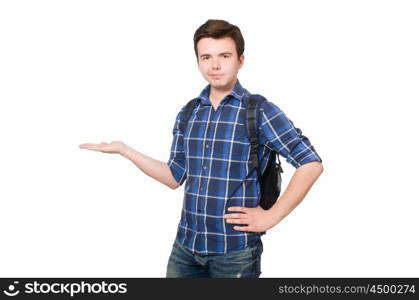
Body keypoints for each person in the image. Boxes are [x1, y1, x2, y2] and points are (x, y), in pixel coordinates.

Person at [79, 19, 324, 278]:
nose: (215, 65)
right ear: (198, 61)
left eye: (224, 56)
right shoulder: (189, 113)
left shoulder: (259, 111)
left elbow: (310, 163)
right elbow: (174, 176)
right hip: (185, 249)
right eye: (206, 57)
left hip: (235, 253)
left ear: (240, 60)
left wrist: (271, 216)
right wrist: (125, 150)